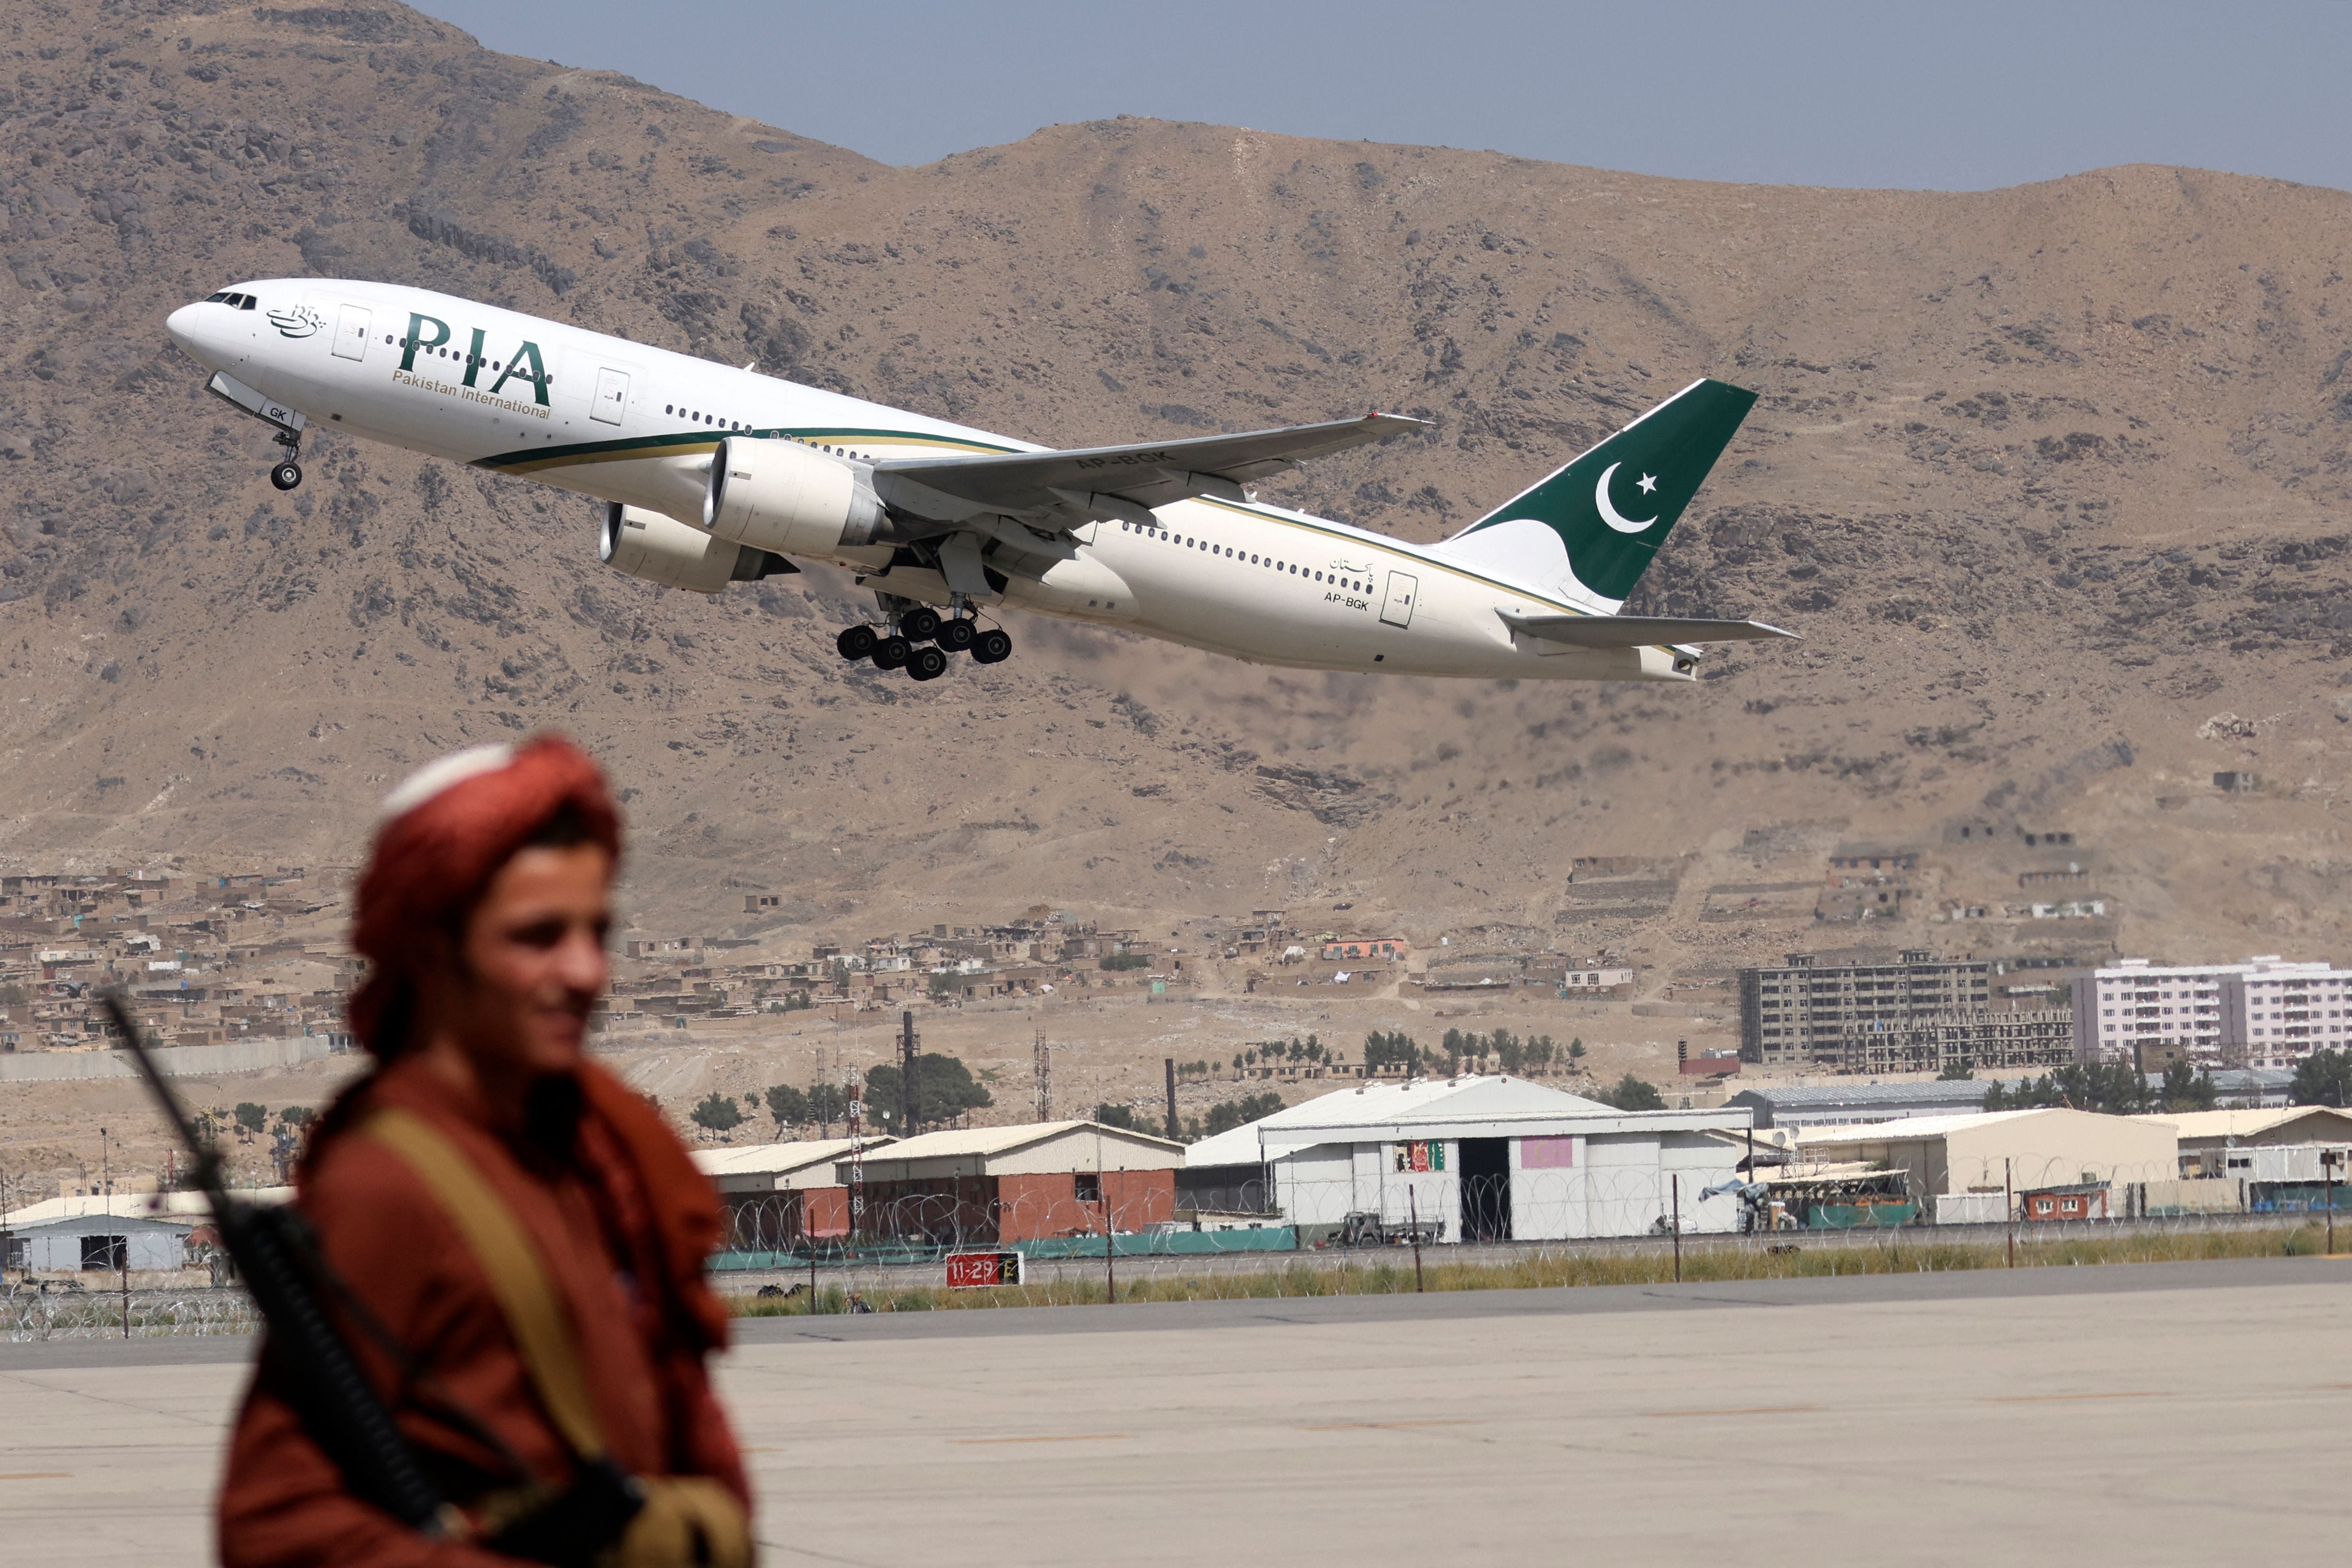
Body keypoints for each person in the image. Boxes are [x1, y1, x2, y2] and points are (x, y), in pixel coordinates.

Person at [219, 737, 751, 1568]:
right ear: (434, 949)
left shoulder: (590, 1156)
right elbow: (277, 1524)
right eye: (537, 936)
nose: (584, 970)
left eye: (596, 931)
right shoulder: (388, 1183)